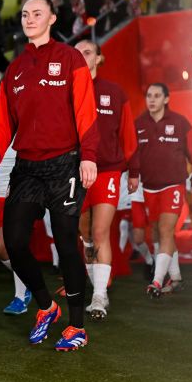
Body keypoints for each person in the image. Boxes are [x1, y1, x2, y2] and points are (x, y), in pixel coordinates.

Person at [0, 0, 99, 352]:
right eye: (26, 14)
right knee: (14, 242)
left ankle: (76, 326)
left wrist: (88, 156)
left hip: (66, 164)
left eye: (37, 14)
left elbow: (85, 111)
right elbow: (2, 125)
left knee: (65, 243)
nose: (30, 19)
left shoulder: (70, 57)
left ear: (51, 19)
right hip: (27, 167)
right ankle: (46, 306)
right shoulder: (15, 70)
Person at [75, 41, 136, 320]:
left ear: (99, 58)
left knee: (100, 231)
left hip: (108, 171)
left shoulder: (115, 92)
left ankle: (100, 295)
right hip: (74, 171)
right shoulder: (67, 90)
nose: (81, 56)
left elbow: (128, 135)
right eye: (76, 52)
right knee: (85, 233)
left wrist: (132, 170)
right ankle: (95, 277)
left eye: (87, 52)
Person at [129, 83, 192, 298]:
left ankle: (156, 281)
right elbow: (132, 154)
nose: (151, 100)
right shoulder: (139, 124)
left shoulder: (180, 123)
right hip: (149, 186)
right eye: (148, 96)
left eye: (156, 96)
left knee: (165, 229)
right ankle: (176, 276)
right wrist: (133, 174)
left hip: (173, 184)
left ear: (166, 99)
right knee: (157, 232)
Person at [0, 143, 32, 314]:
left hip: (19, 195)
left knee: (14, 247)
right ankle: (30, 280)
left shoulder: (23, 133)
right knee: (0, 250)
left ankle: (20, 297)